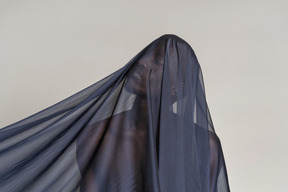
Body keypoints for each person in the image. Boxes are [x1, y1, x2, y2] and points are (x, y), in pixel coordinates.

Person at [0, 34, 230, 192]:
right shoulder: (97, 134)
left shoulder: (206, 146)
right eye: (147, 54)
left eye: (158, 60)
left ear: (176, 88)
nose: (142, 62)